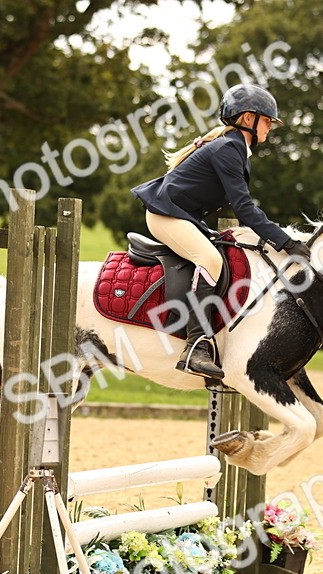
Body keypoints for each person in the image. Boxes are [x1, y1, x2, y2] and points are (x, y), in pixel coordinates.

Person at [131, 84, 311, 380]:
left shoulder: (234, 147)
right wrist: (286, 241)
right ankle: (196, 347)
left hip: (182, 216)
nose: (270, 126)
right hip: (165, 216)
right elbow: (245, 208)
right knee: (211, 261)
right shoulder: (228, 149)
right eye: (267, 120)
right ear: (248, 118)